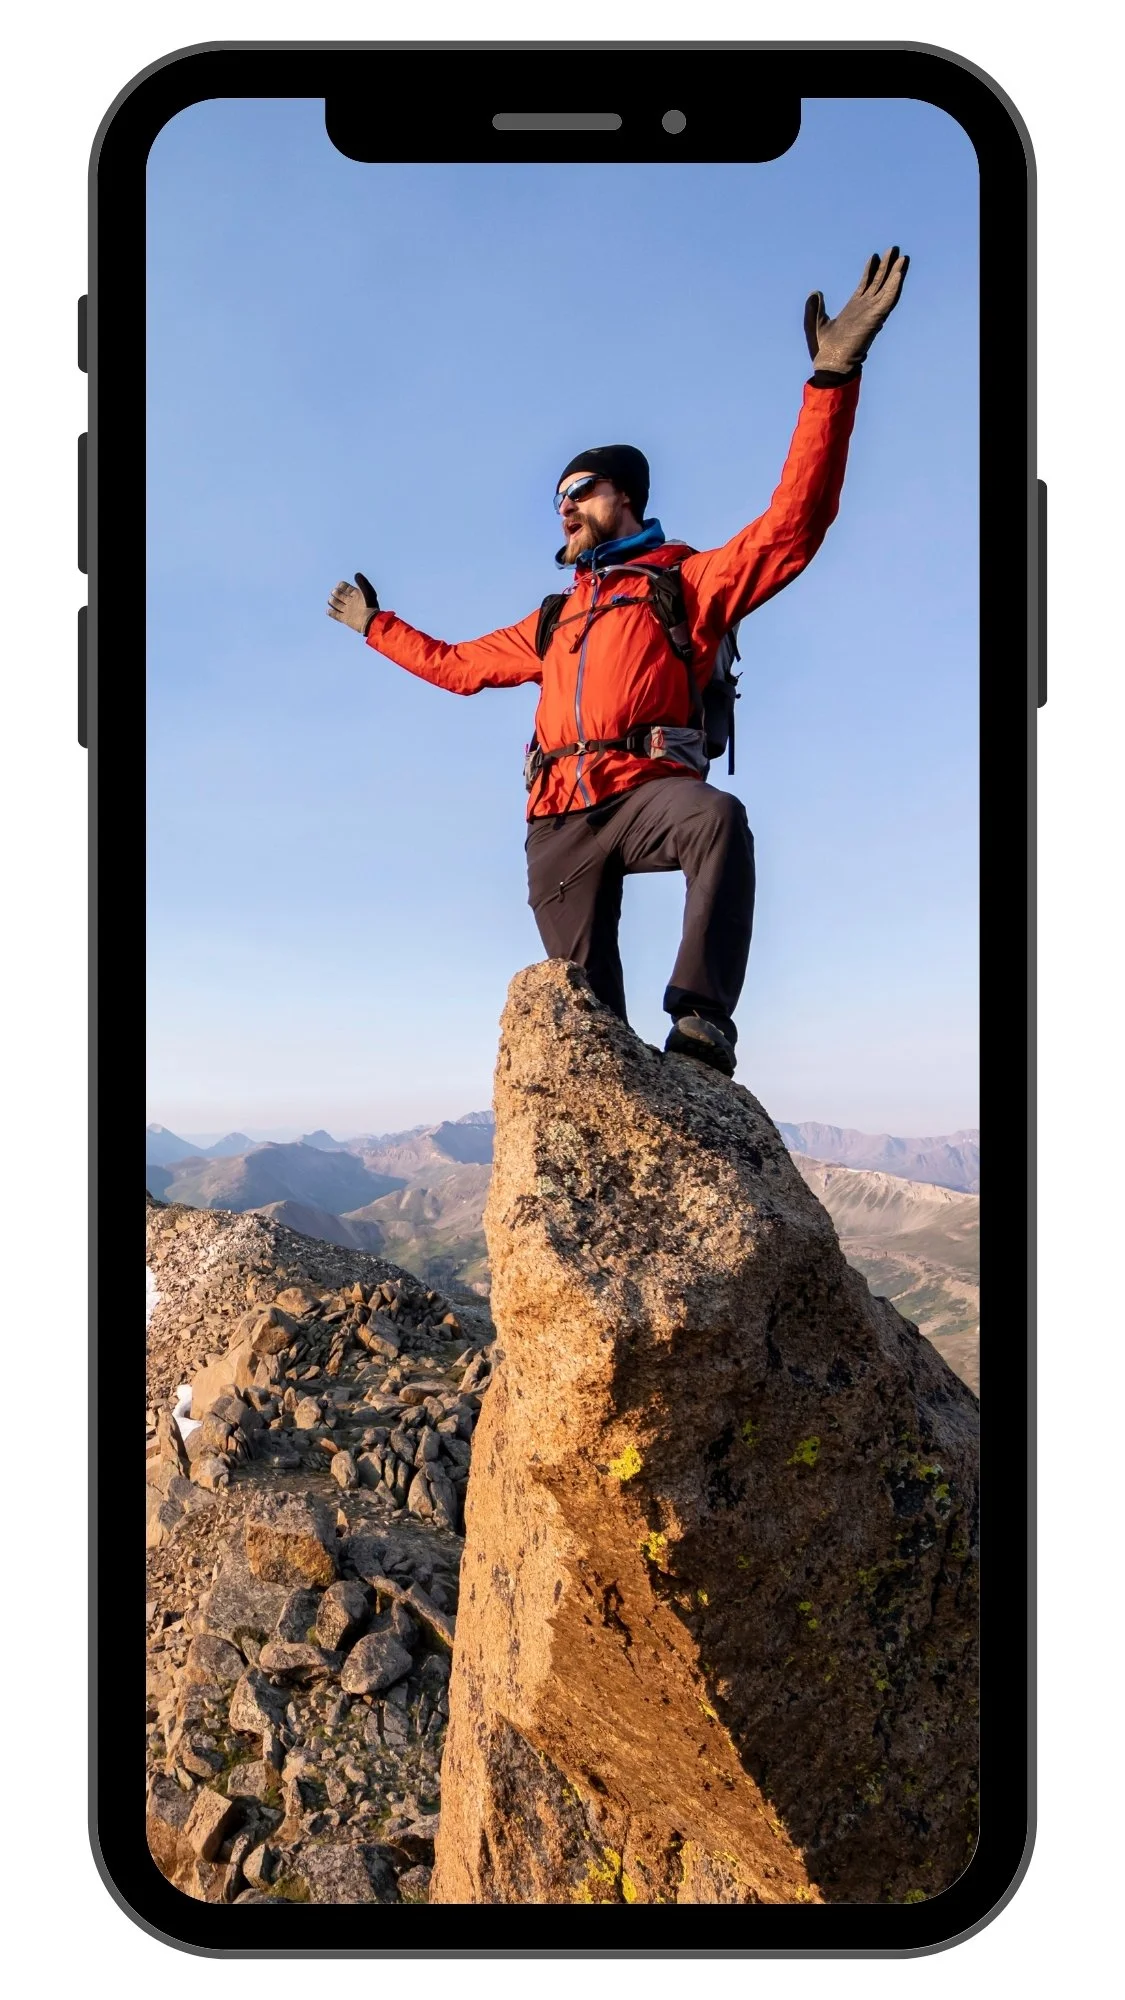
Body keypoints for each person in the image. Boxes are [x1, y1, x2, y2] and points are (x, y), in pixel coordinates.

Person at [328, 249, 908, 1076]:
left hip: (644, 795)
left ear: (624, 497)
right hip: (557, 820)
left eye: (580, 491)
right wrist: (374, 626)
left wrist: (831, 379)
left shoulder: (684, 583)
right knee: (591, 1028)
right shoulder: (554, 618)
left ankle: (700, 1019)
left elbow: (793, 525)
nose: (564, 507)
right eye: (557, 498)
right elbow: (456, 667)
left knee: (716, 820)